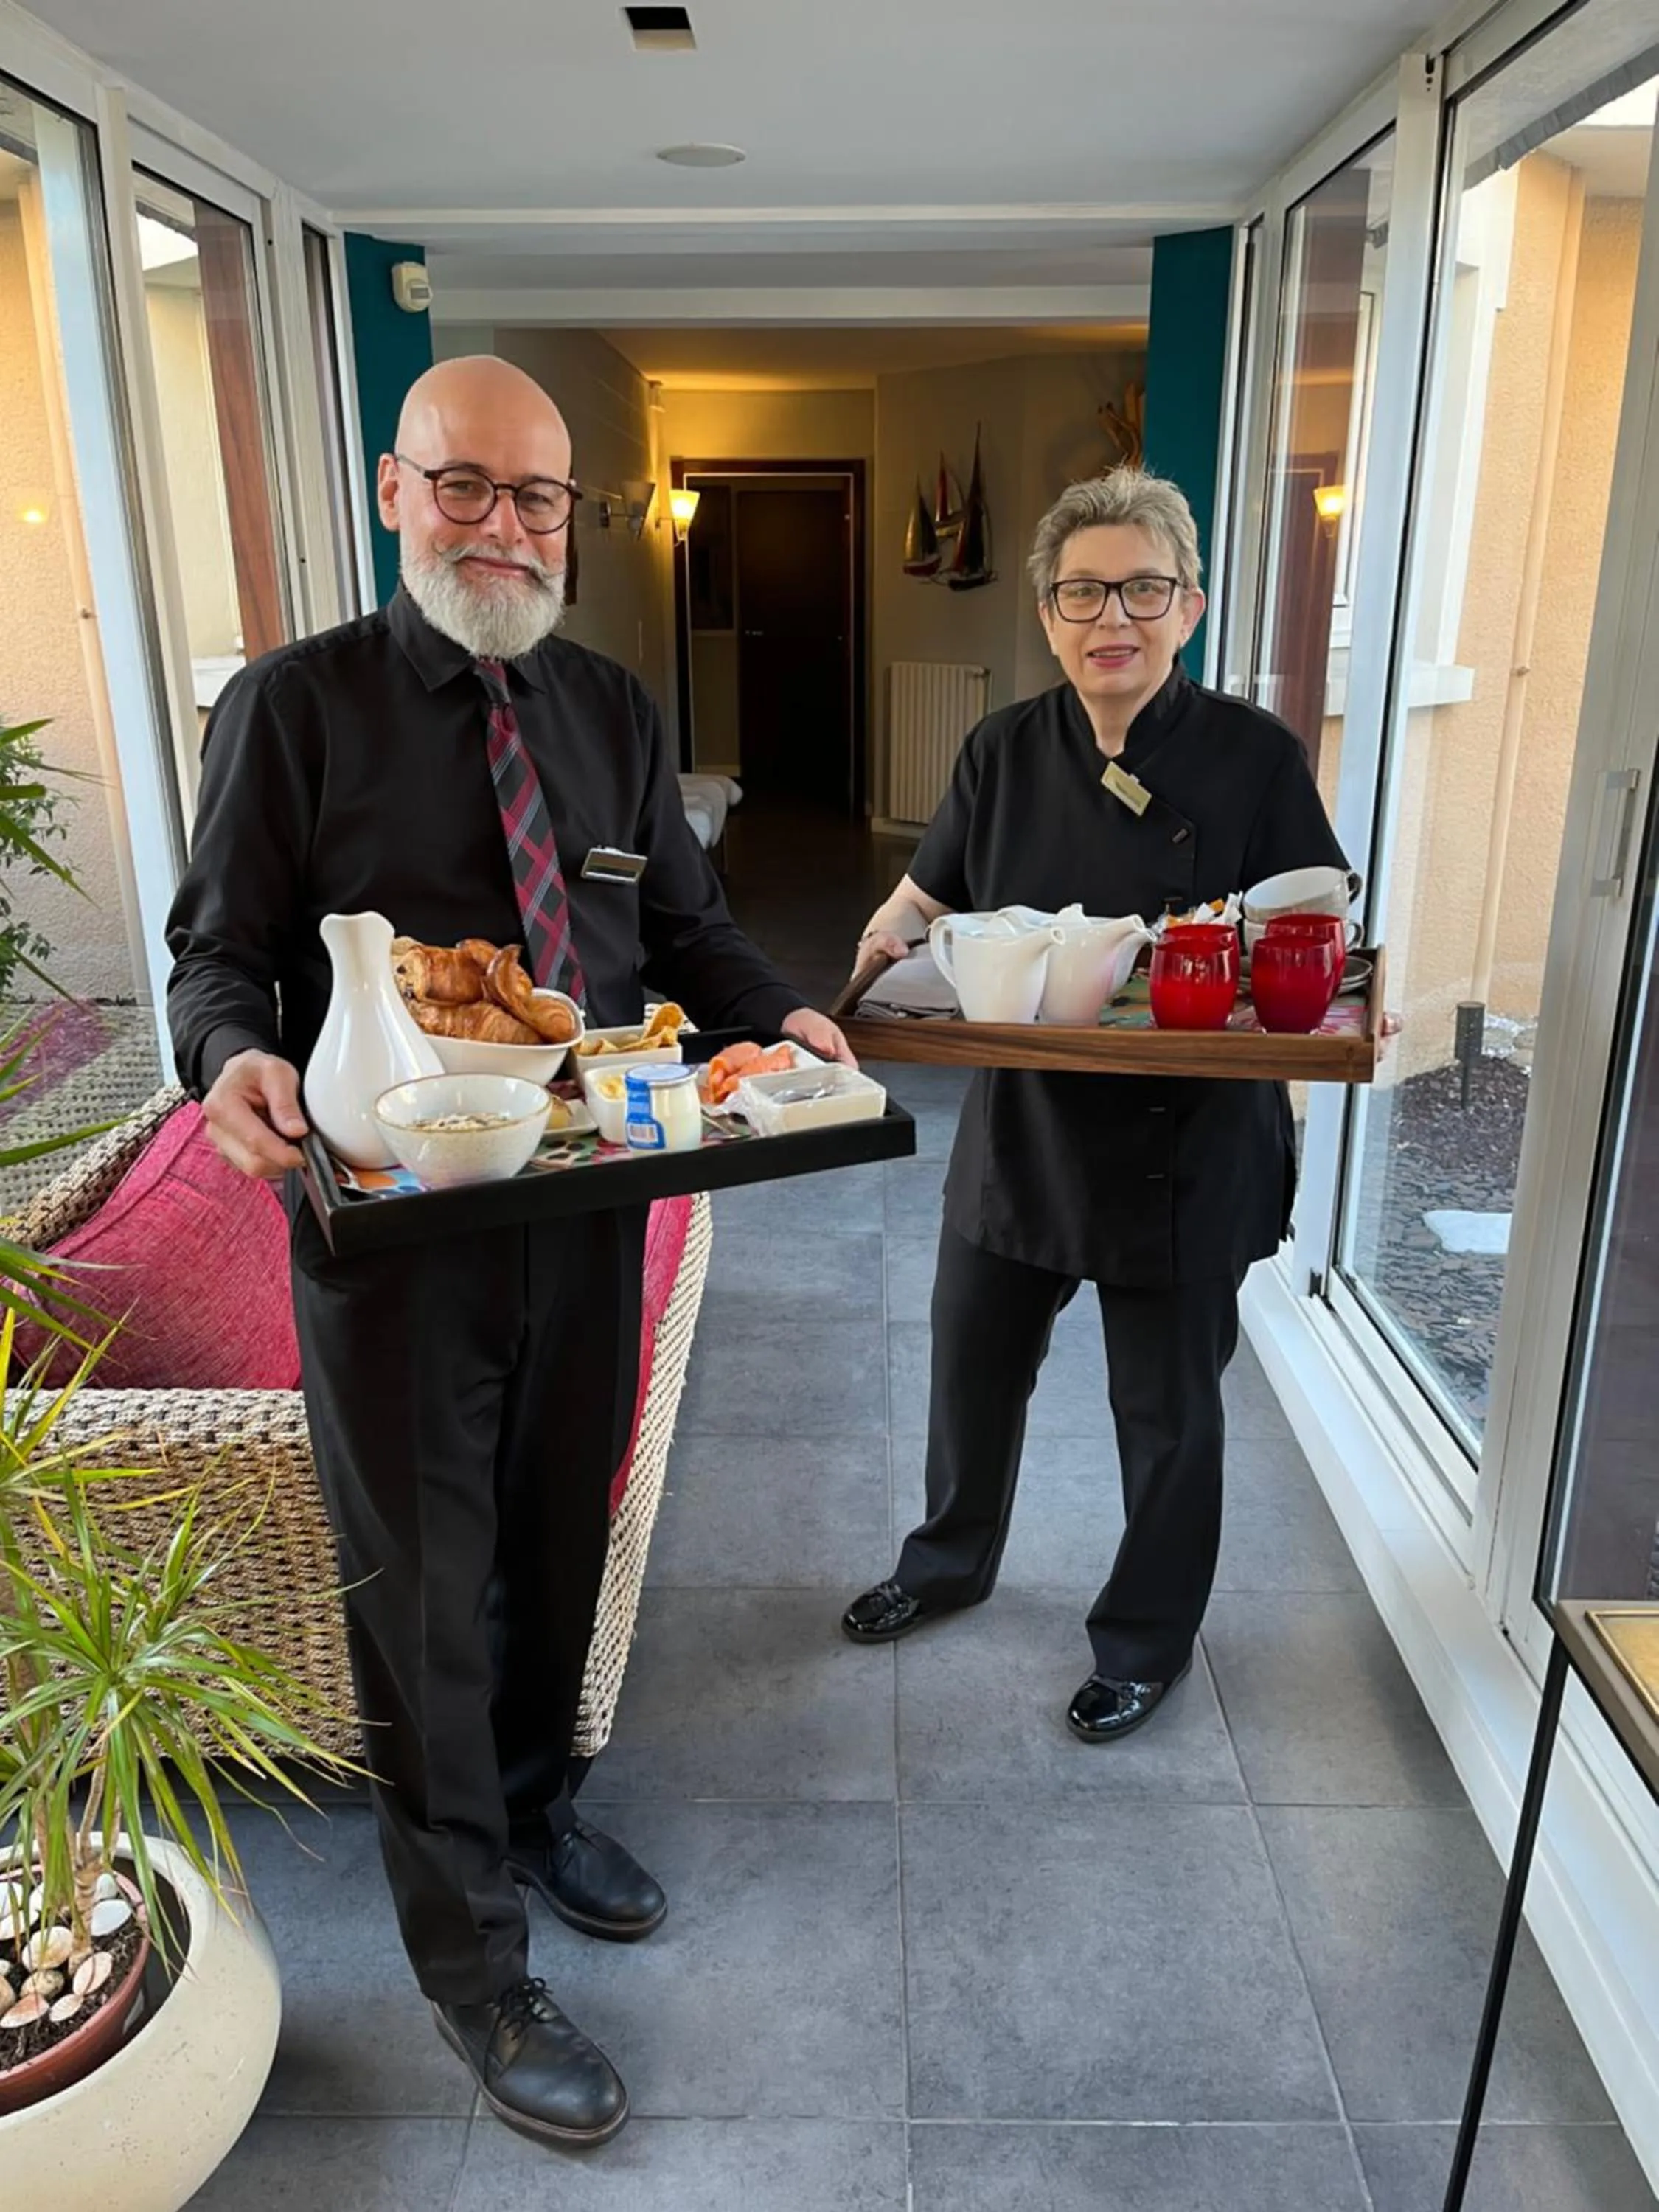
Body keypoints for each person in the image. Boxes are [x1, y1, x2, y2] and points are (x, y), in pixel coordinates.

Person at [167, 355, 849, 2150]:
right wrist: (229, 1053)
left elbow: (690, 935)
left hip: (588, 1214)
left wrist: (785, 1022)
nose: (507, 524)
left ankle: (542, 1811)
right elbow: (219, 949)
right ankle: (472, 1960)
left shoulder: (613, 710)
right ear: (396, 493)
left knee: (561, 1532)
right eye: (466, 486)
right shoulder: (292, 708)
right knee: (422, 1602)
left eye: (540, 497)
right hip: (393, 1242)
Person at [841, 467, 1348, 1743]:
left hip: (1188, 1144)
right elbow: (928, 900)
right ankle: (946, 1562)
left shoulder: (1251, 755)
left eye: (1140, 588)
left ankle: (1144, 1639)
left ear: (1187, 605)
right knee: (970, 1367)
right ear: (1048, 612)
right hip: (1025, 1131)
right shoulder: (1002, 748)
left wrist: (1326, 995)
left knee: (1166, 1416)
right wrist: (852, 979)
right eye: (1080, 592)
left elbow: (1315, 924)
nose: (1108, 616)